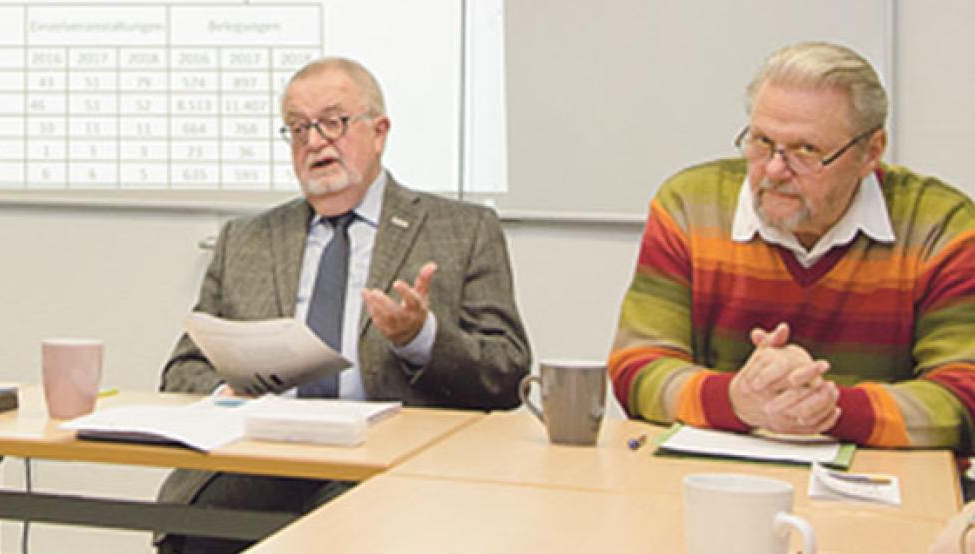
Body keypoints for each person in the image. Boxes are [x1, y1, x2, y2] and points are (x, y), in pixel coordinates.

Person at [155, 57, 531, 553]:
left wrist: (420, 338)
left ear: (379, 132)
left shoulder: (462, 230)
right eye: (298, 128)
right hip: (262, 457)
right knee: (197, 535)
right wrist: (230, 391)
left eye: (332, 122)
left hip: (394, 465)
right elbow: (182, 371)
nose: (314, 142)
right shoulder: (245, 240)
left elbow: (507, 372)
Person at [609, 41, 975, 450]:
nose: (774, 169)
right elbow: (637, 366)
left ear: (870, 152)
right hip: (712, 473)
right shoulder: (691, 207)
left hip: (882, 480)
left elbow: (964, 395)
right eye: (762, 141)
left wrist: (830, 408)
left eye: (806, 150)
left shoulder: (939, 227)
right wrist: (736, 399)